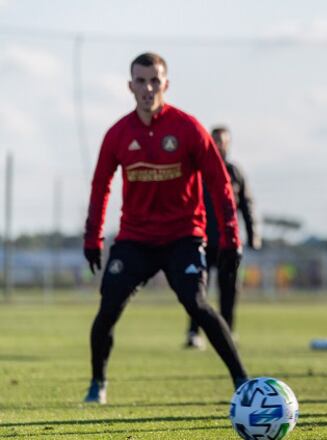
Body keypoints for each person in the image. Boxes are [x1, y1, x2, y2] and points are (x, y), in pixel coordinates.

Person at [82, 52, 248, 404]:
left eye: (154, 80)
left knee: (198, 304)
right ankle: (98, 383)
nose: (148, 88)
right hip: (135, 240)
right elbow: (100, 186)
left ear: (166, 84)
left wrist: (232, 238)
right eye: (140, 81)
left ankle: (243, 382)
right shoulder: (117, 134)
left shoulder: (188, 129)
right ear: (130, 86)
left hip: (183, 238)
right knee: (108, 308)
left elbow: (219, 183)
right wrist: (93, 237)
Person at [185, 126, 260, 349]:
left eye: (223, 141)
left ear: (228, 144)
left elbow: (246, 204)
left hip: (228, 242)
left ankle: (227, 332)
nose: (218, 144)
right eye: (215, 140)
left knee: (229, 290)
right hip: (201, 240)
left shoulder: (235, 172)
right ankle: (193, 333)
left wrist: (253, 233)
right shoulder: (197, 170)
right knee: (197, 290)